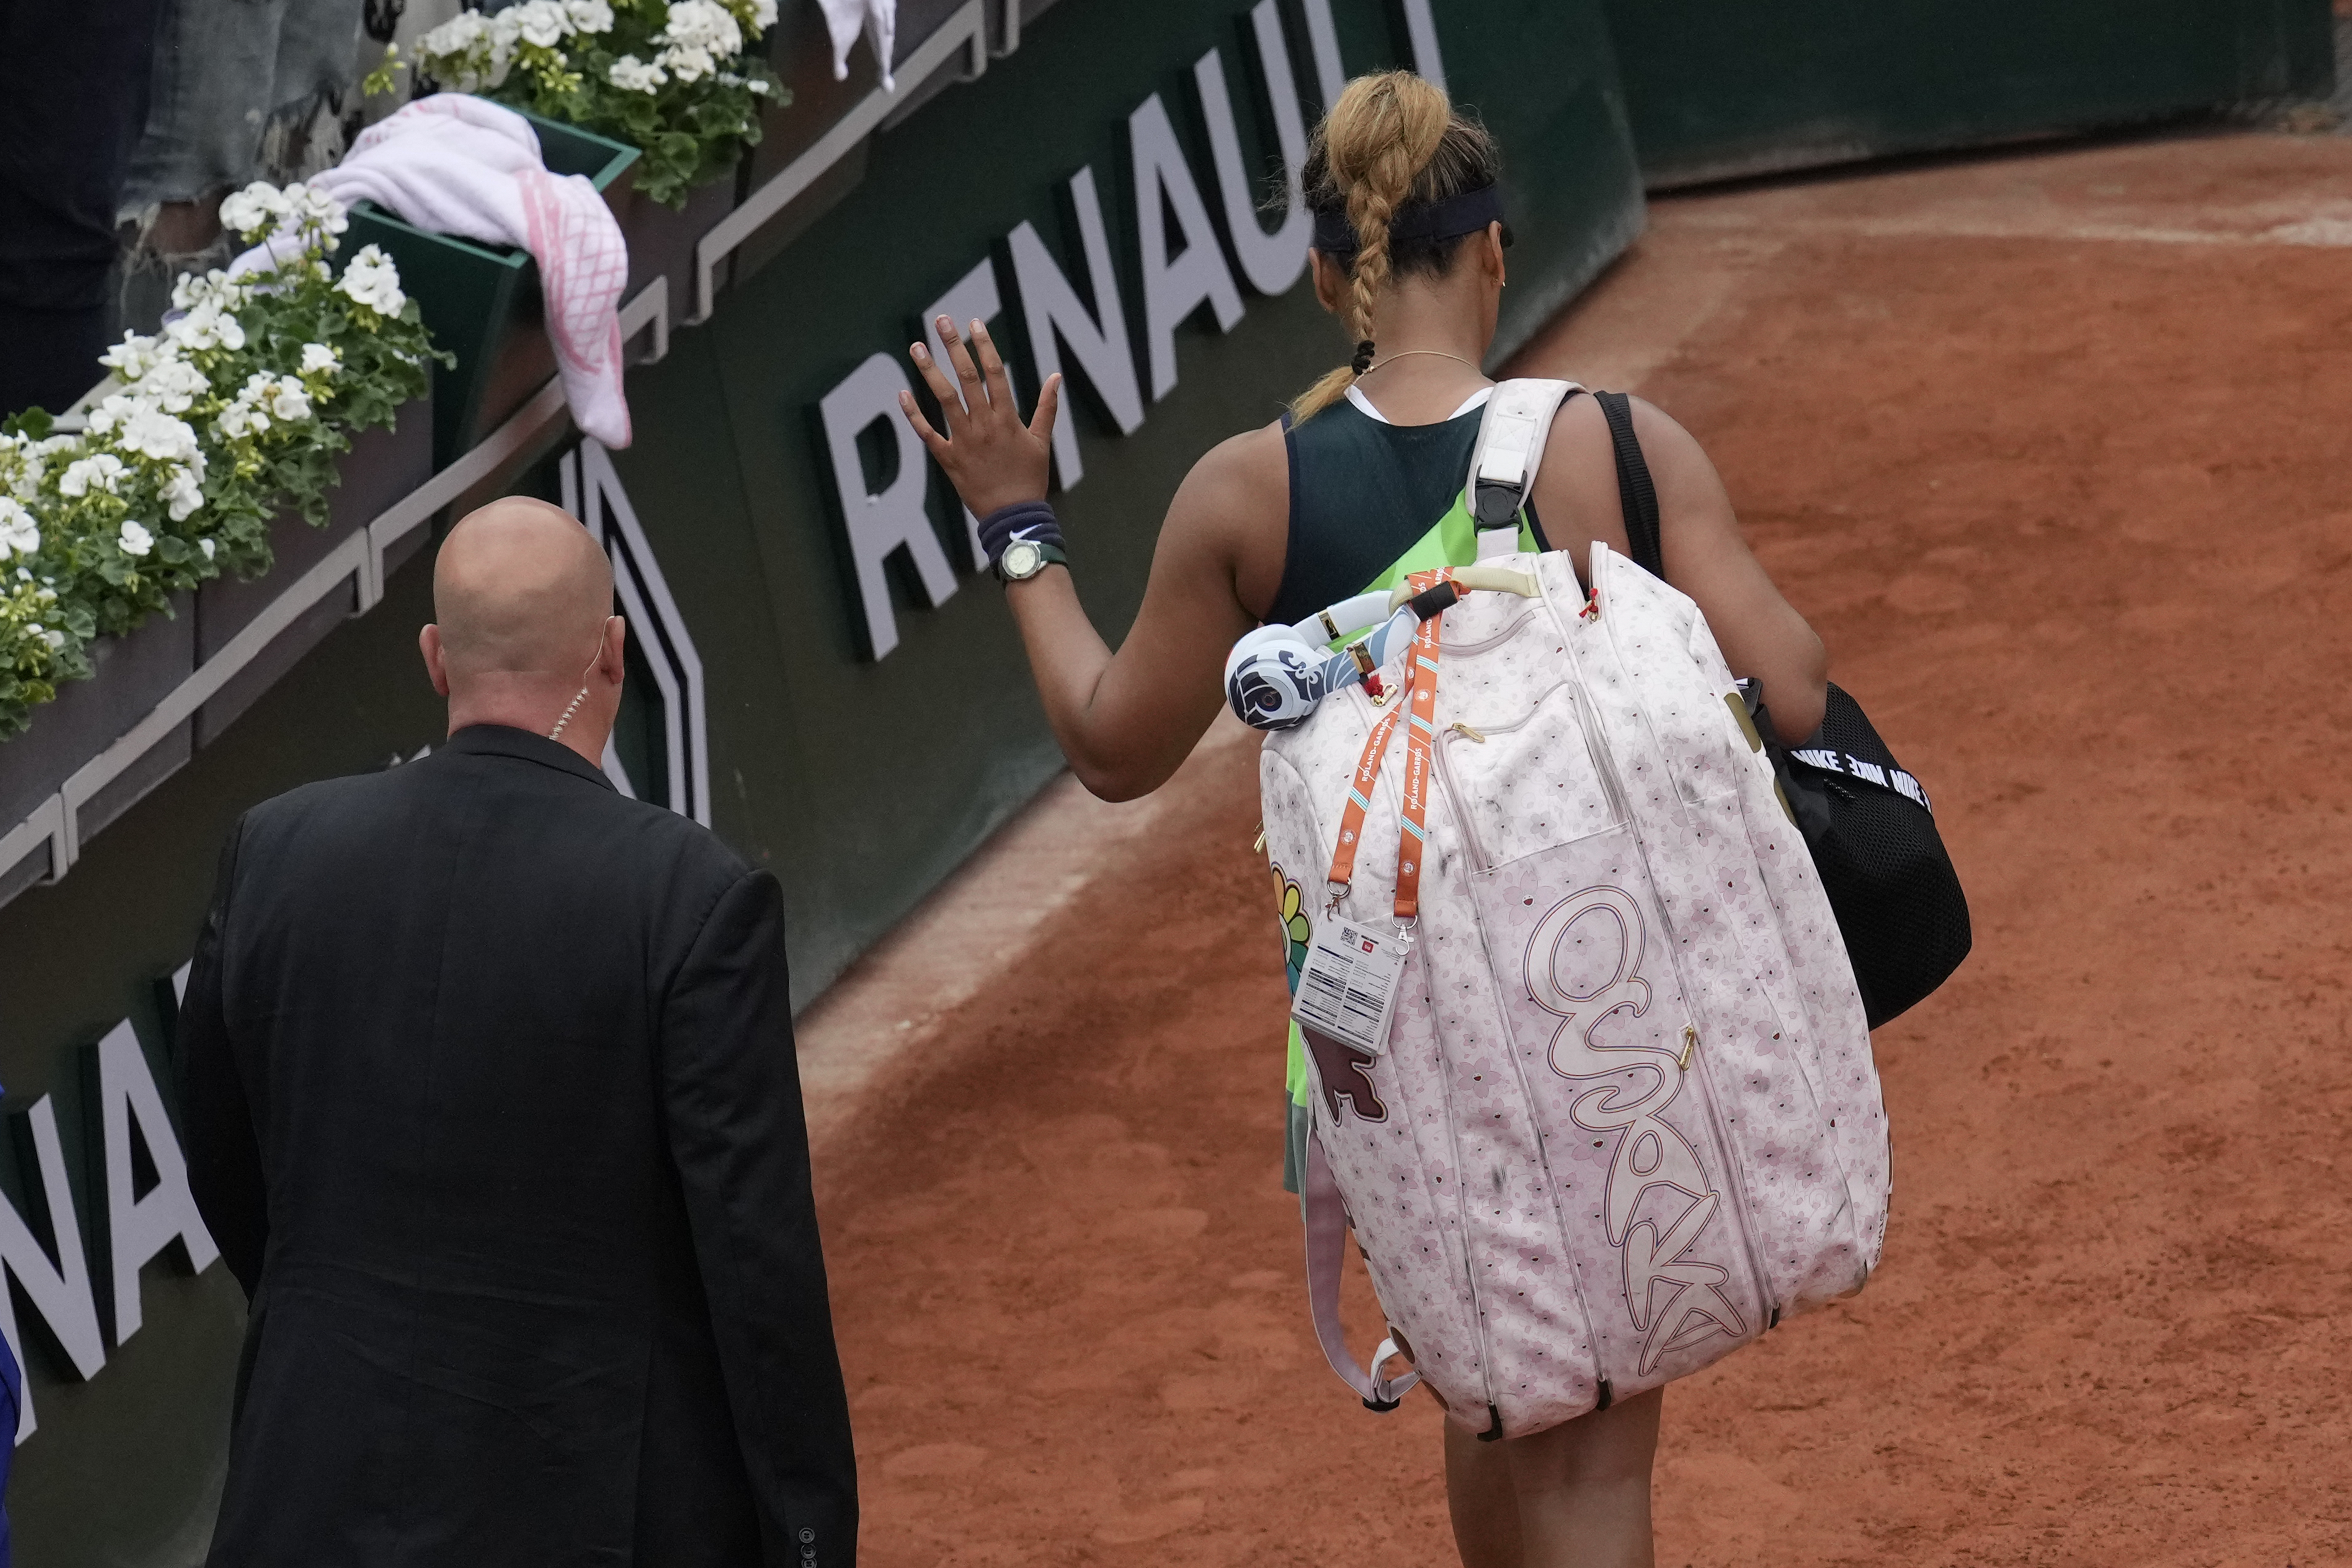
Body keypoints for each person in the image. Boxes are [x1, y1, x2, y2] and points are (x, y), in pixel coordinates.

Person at [899, 70, 1826, 1568]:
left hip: (1394, 1043)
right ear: (1496, 252)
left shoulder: (1241, 496)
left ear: (1328, 275)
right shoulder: (1621, 447)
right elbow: (1789, 684)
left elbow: (1109, 745)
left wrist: (1017, 525)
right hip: (1603, 999)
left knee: (1488, 1380)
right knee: (1592, 1444)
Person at [174, 497, 857, 1566]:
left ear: (436, 659)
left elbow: (222, 1159)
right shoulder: (691, 896)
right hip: (587, 1505)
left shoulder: (274, 851)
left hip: (308, 1488)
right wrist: (808, 1538)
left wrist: (332, 1318)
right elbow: (754, 1258)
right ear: (615, 656)